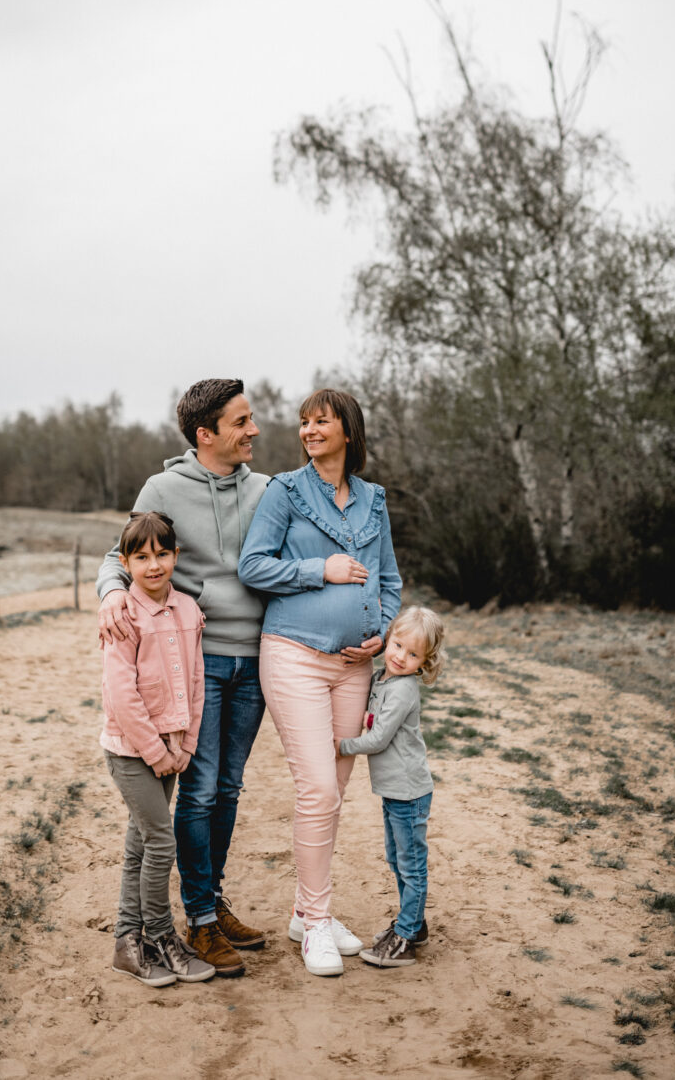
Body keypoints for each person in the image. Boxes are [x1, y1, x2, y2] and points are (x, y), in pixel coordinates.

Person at [97, 378, 268, 977]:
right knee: (197, 792)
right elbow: (119, 552)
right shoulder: (163, 487)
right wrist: (109, 594)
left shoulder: (267, 490)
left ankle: (211, 899)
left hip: (257, 662)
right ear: (206, 433)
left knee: (228, 790)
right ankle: (196, 920)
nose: (253, 430)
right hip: (199, 660)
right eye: (241, 421)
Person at [237, 388, 402, 976]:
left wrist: (382, 630)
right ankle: (316, 923)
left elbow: (388, 580)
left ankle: (308, 914)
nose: (308, 430)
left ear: (348, 432)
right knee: (318, 792)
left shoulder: (374, 500)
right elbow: (253, 565)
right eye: (304, 423)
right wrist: (319, 570)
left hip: (353, 667)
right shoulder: (284, 492)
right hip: (295, 657)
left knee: (332, 794)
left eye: (321, 421)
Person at [101, 510, 215, 987]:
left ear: (176, 556)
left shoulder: (188, 609)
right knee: (161, 841)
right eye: (142, 557)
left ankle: (128, 941)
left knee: (139, 844)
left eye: (163, 554)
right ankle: (162, 936)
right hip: (132, 752)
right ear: (125, 562)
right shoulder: (123, 614)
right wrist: (157, 753)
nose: (154, 566)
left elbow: (195, 680)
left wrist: (185, 744)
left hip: (172, 749)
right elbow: (121, 696)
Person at [336, 605, 445, 969]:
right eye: (397, 645)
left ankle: (405, 936)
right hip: (395, 790)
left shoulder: (402, 692)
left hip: (410, 792)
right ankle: (415, 925)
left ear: (425, 661)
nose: (401, 657)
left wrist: (340, 745)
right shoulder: (383, 678)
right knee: (397, 859)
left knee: (411, 865)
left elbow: (379, 738)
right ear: (388, 639)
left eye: (413, 654)